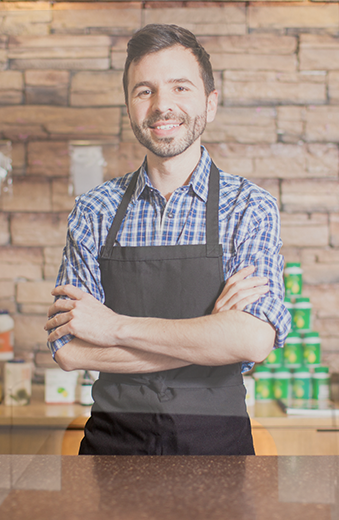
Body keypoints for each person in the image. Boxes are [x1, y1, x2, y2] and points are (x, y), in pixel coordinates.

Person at [46, 23, 290, 455]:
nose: (163, 106)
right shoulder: (94, 210)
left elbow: (253, 339)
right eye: (145, 91)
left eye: (180, 87)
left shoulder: (250, 207)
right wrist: (212, 337)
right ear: (129, 105)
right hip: (111, 453)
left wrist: (114, 327)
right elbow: (71, 350)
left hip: (219, 454)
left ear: (210, 104)